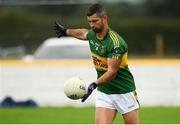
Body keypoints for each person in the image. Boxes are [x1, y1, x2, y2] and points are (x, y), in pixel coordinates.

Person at [53, 3, 140, 124]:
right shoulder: (93, 34)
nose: (92, 25)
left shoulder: (115, 43)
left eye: (95, 21)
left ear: (105, 18)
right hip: (104, 92)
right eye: (89, 22)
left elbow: (111, 72)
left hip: (124, 91)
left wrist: (94, 84)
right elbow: (83, 33)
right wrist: (66, 31)